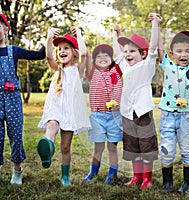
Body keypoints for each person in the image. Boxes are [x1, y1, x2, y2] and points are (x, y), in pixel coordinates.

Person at [112, 13, 162, 190]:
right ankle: (136, 177)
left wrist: (155, 24)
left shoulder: (147, 65)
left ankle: (147, 179)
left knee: (146, 147)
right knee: (133, 147)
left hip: (143, 112)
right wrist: (116, 35)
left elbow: (154, 45)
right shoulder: (124, 66)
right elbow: (117, 52)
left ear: (143, 53)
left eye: (132, 51)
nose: (127, 54)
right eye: (126, 51)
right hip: (127, 112)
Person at [37, 26, 91, 187]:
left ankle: (65, 176)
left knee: (65, 147)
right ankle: (47, 148)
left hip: (70, 112)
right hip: (55, 109)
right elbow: (48, 56)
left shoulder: (78, 70)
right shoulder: (57, 69)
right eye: (59, 48)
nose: (62, 51)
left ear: (73, 51)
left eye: (66, 48)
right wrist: (48, 38)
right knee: (51, 126)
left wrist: (79, 34)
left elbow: (84, 53)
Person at [157, 28, 189, 193]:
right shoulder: (167, 65)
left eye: (187, 50)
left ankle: (188, 183)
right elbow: (158, 48)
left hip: (187, 116)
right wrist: (156, 24)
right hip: (168, 115)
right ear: (172, 53)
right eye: (179, 51)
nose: (183, 54)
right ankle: (167, 183)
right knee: (167, 149)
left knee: (187, 149)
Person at [0, 13, 45, 185]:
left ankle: (17, 171)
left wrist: (47, 39)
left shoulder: (14, 51)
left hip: (12, 99)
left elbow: (38, 55)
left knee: (15, 136)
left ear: (5, 29)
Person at [83, 44, 122, 184]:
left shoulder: (116, 72)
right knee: (98, 147)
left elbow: (120, 54)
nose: (103, 57)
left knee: (112, 147)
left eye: (106, 55)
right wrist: (79, 34)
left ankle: (112, 174)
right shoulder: (92, 73)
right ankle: (93, 172)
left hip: (114, 117)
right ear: (94, 61)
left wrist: (116, 35)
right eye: (99, 56)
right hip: (97, 116)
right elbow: (85, 54)